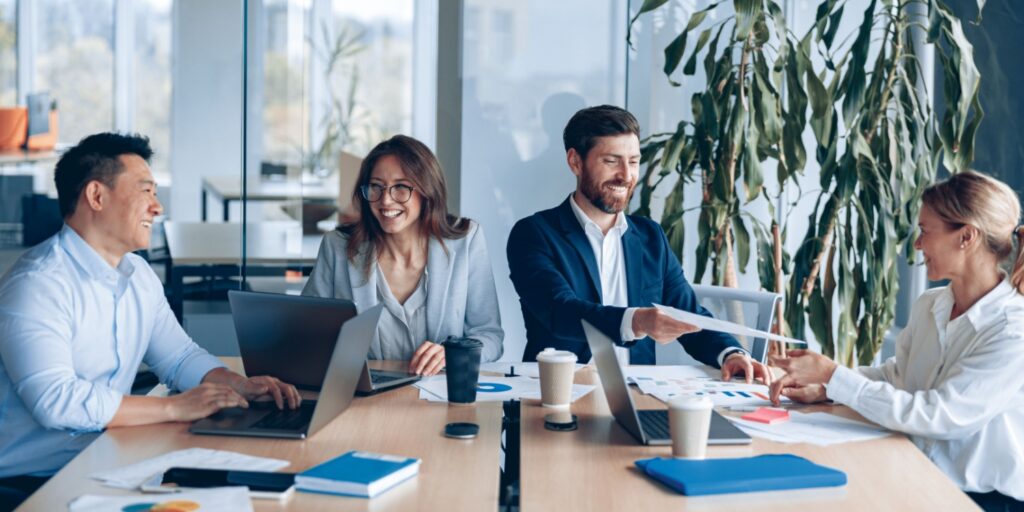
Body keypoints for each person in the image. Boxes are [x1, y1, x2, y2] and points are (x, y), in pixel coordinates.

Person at [0, 133, 301, 509]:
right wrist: (175, 408)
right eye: (146, 191)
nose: (157, 207)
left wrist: (237, 385)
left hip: (113, 459)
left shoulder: (138, 275)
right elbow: (56, 401)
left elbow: (178, 357)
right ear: (97, 196)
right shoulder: (38, 285)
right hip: (34, 482)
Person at [769, 171, 1024, 511]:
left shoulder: (1012, 329)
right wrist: (826, 387)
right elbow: (897, 376)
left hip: (981, 502)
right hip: (918, 473)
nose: (917, 244)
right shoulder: (931, 305)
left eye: (924, 231)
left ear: (966, 237)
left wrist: (833, 376)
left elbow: (940, 415)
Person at [506, 105, 770, 383]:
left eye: (633, 161)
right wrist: (637, 321)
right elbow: (560, 311)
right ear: (575, 161)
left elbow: (687, 312)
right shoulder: (534, 234)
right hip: (560, 392)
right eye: (611, 161)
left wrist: (730, 354)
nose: (626, 175)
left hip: (638, 395)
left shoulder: (650, 237)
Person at [303, 135, 503, 375]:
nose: (386, 200)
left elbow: (490, 337)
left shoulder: (465, 240)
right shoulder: (337, 247)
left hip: (442, 396)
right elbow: (309, 333)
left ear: (426, 190)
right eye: (376, 186)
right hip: (365, 397)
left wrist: (454, 353)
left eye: (400, 187)